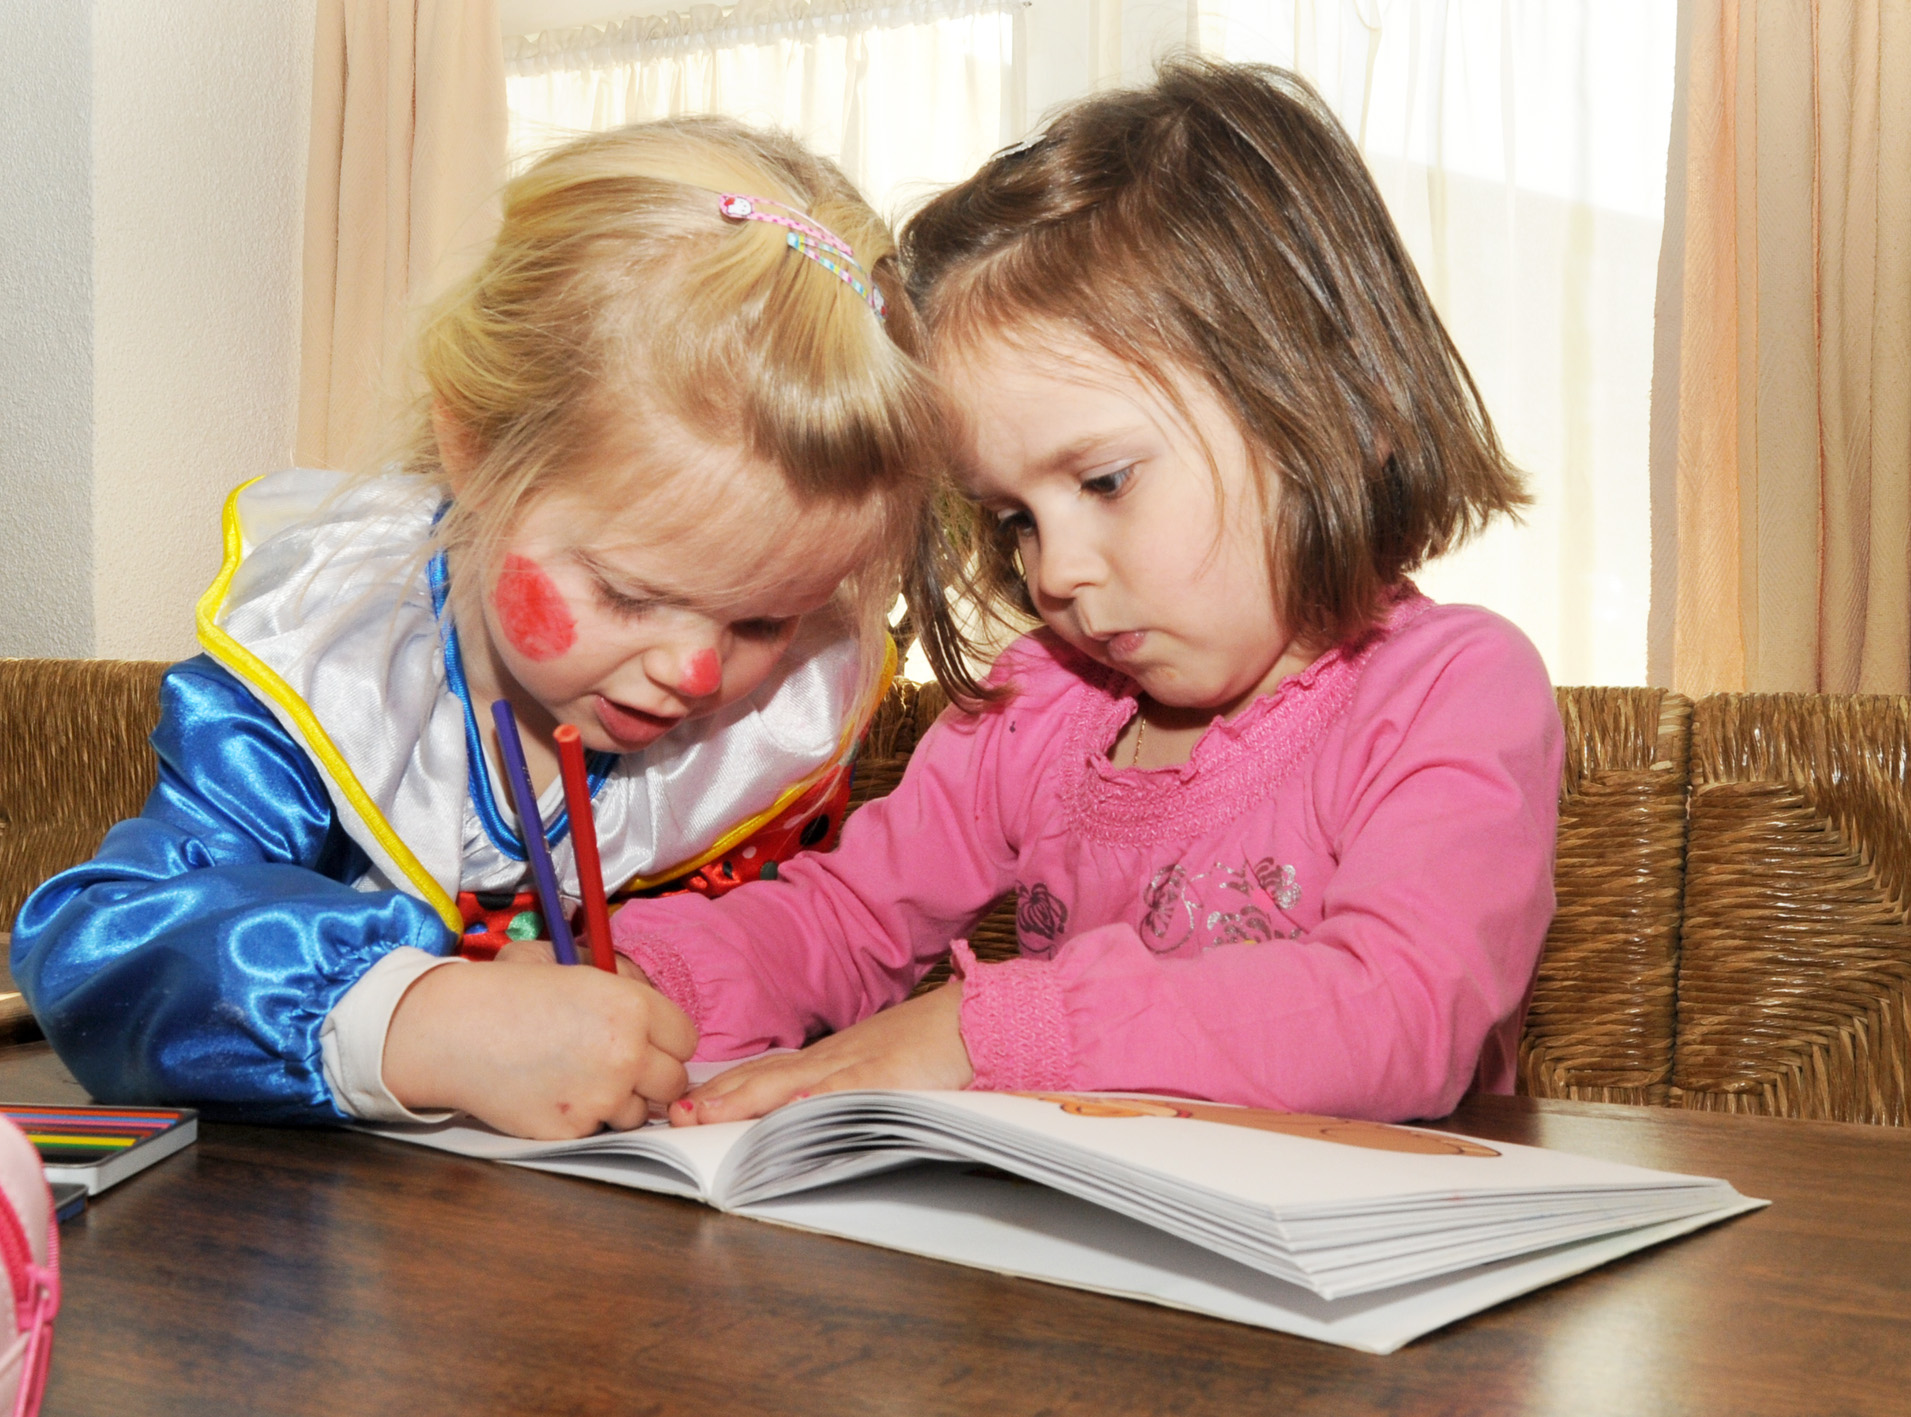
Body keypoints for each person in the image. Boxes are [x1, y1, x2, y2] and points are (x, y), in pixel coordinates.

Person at [608, 60, 1567, 1126]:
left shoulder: (1454, 690)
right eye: (1013, 517)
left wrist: (984, 1030)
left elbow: (1401, 1012)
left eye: (1105, 481)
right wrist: (643, 988)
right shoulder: (1037, 703)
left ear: (1341, 408)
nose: (1052, 572)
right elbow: (843, 921)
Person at [11, 117, 941, 1139]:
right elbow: (94, 948)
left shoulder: (772, 732)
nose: (697, 670)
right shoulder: (337, 670)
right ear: (475, 450)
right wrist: (418, 1022)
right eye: (629, 594)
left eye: (764, 618)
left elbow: (822, 949)